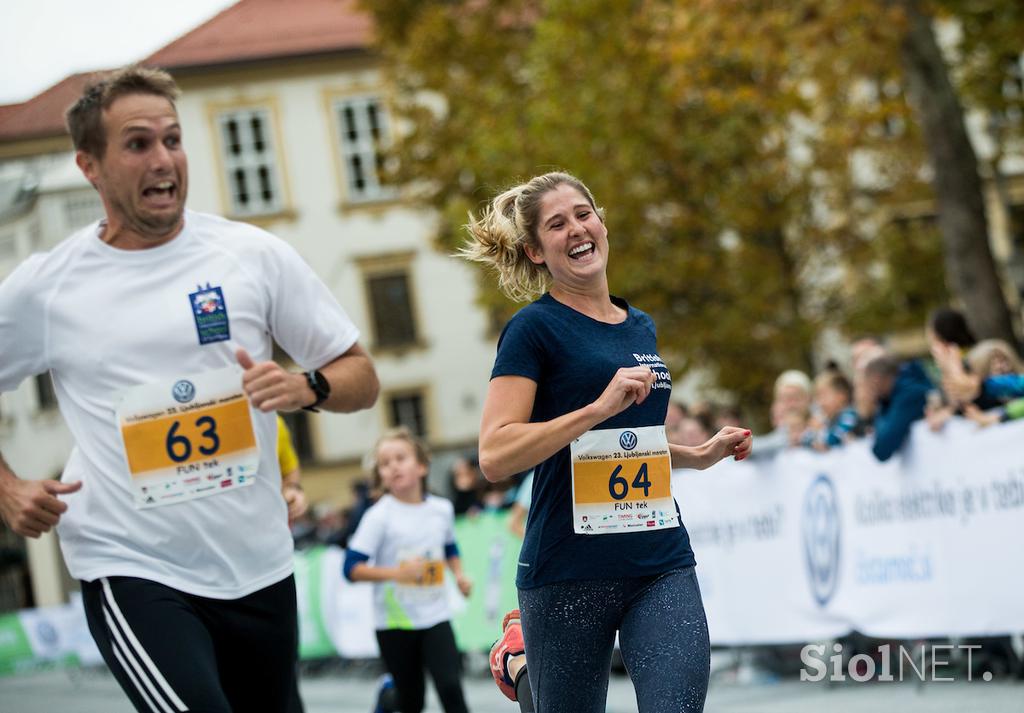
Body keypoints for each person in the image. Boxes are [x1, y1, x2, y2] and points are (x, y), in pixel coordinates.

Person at [0, 66, 379, 713]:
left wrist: (304, 386)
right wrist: (7, 487)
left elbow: (360, 375)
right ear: (89, 165)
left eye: (172, 139)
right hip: (132, 561)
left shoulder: (251, 255)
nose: (163, 159)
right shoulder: (48, 286)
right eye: (138, 143)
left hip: (256, 561)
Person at [462, 172, 752, 713]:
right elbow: (495, 455)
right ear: (536, 250)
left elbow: (622, 446)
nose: (576, 228)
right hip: (567, 569)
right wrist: (595, 407)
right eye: (557, 224)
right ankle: (523, 667)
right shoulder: (533, 331)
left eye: (583, 213)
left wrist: (697, 455)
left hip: (658, 559)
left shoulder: (639, 325)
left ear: (602, 223)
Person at [344, 427, 473, 713]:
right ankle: (387, 701)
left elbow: (450, 547)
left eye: (400, 458)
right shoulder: (378, 517)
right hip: (394, 622)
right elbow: (350, 568)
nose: (393, 467)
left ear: (422, 465)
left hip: (436, 615)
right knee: (411, 699)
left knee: (451, 687)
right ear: (380, 475)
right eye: (385, 463)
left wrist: (460, 575)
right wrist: (397, 574)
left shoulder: (442, 509)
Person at [861, 353, 931, 461]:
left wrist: (877, 405)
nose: (866, 390)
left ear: (876, 379)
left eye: (867, 383)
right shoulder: (894, 397)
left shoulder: (909, 395)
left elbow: (882, 450)